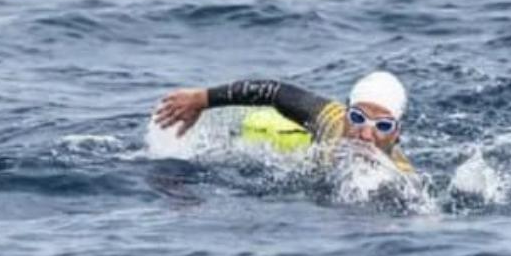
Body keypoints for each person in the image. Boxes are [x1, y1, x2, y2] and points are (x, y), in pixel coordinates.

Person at [153, 71, 414, 173]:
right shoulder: (330, 118)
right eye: (357, 118)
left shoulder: (400, 176)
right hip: (297, 143)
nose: (366, 135)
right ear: (346, 114)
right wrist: (202, 99)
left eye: (383, 126)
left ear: (397, 134)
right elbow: (273, 91)